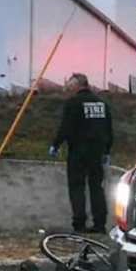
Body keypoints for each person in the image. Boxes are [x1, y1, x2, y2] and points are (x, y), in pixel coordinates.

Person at [48, 73, 113, 234]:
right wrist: (106, 151)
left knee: (77, 186)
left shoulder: (73, 103)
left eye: (70, 83)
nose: (68, 86)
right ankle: (100, 223)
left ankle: (79, 223)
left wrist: (55, 145)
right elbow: (109, 131)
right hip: (97, 152)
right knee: (96, 187)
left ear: (78, 84)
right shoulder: (102, 104)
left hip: (78, 150)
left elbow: (66, 127)